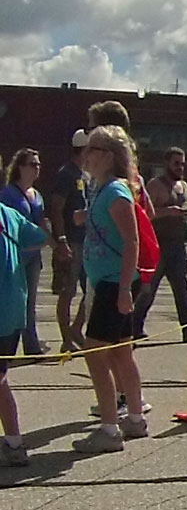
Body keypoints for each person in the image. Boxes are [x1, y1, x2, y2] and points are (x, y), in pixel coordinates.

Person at [75, 126, 148, 453]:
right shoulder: (100, 190)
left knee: (95, 353)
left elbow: (132, 241)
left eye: (91, 149)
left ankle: (109, 427)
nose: (85, 155)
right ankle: (134, 417)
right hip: (108, 281)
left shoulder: (115, 192)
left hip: (112, 283)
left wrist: (122, 289)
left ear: (107, 155)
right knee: (120, 352)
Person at [0, 184, 48, 466]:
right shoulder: (10, 215)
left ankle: (15, 442)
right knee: (1, 377)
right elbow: (40, 237)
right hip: (13, 310)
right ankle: (15, 441)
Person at [135, 146, 187, 341]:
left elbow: (186, 211)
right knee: (148, 289)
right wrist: (168, 211)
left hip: (178, 245)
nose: (180, 167)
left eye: (182, 164)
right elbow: (143, 212)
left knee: (182, 288)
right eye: (176, 163)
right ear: (166, 164)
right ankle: (134, 327)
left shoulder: (184, 186)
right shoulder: (155, 185)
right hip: (158, 244)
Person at [1, 149, 49, 355]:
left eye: (38, 164)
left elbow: (41, 230)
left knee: (29, 301)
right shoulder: (9, 194)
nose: (36, 168)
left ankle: (31, 343)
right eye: (32, 164)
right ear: (20, 167)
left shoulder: (36, 195)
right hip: (15, 256)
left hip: (34, 255)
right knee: (15, 300)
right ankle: (17, 342)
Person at [47, 129, 88, 353]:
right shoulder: (67, 174)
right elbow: (56, 208)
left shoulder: (85, 175)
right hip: (71, 240)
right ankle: (66, 338)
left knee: (91, 289)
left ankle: (76, 328)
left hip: (87, 240)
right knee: (68, 290)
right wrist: (61, 239)